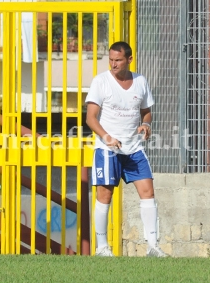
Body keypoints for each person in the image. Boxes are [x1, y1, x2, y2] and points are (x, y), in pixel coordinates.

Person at [85, 41, 167, 257]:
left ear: (129, 59)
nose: (113, 64)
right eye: (111, 59)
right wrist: (107, 137)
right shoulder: (100, 82)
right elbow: (90, 118)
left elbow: (146, 111)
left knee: (148, 192)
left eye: (118, 60)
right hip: (107, 149)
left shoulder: (140, 81)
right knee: (104, 195)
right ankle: (102, 247)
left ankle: (153, 246)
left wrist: (146, 124)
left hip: (134, 148)